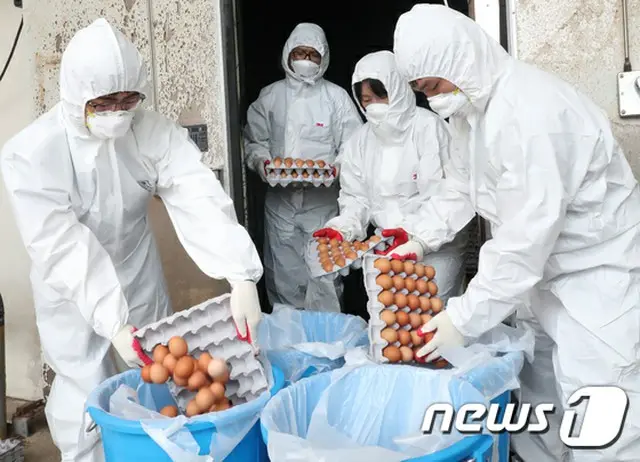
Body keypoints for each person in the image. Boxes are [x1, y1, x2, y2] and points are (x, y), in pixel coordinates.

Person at [0, 19, 263, 462]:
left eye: (128, 99)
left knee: (156, 397)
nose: (119, 112)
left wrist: (240, 273)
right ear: (75, 94)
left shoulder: (150, 131)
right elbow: (60, 244)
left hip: (138, 278)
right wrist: (112, 320)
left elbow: (195, 191)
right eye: (104, 102)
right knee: (84, 407)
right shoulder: (32, 153)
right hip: (72, 294)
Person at [393, 5, 640, 461]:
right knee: (543, 403)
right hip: (544, 280)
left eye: (434, 86)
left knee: (603, 413)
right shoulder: (472, 115)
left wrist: (463, 318)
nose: (434, 100)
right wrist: (422, 237)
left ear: (459, 60)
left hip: (598, 279)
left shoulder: (531, 112)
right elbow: (462, 187)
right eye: (423, 92)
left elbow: (526, 236)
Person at [313, 50, 469, 305]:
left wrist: (418, 237)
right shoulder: (360, 142)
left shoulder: (429, 129)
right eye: (365, 99)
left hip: (438, 246)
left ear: (398, 89)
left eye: (379, 96)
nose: (372, 105)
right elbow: (356, 199)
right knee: (390, 329)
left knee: (432, 321)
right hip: (387, 247)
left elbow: (447, 195)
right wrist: (342, 227)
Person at [244, 23, 362, 313]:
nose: (305, 60)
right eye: (300, 52)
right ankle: (290, 344)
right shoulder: (270, 96)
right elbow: (253, 141)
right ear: (287, 54)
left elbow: (355, 144)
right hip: (280, 205)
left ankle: (329, 342)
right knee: (284, 277)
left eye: (312, 54)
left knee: (324, 276)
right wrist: (262, 163)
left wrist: (336, 167)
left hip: (321, 206)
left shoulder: (337, 98)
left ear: (324, 58)